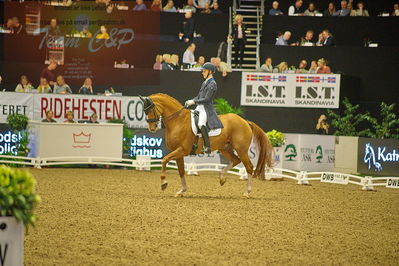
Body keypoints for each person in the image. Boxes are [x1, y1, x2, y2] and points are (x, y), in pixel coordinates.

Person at [184, 62, 223, 154]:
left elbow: (207, 99)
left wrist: (194, 102)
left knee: (201, 123)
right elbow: (199, 96)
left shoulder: (212, 84)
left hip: (206, 108)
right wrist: (191, 100)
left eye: (204, 71)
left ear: (210, 72)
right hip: (199, 107)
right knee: (191, 121)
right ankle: (194, 143)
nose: (202, 73)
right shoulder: (205, 82)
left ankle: (207, 146)